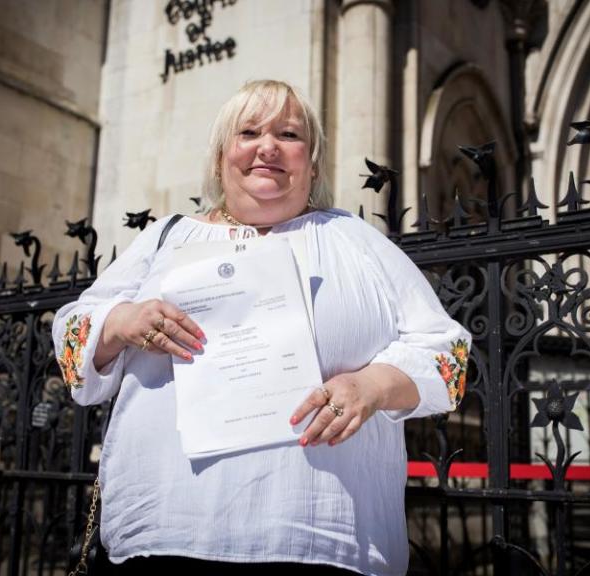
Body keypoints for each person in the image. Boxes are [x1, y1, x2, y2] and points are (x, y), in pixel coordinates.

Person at [53, 79, 470, 576]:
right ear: (219, 157)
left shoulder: (357, 241)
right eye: (248, 132)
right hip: (165, 535)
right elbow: (73, 336)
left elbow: (450, 359)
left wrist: (372, 386)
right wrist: (121, 321)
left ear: (311, 164)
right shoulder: (165, 239)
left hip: (321, 541)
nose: (268, 147)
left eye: (289, 135)